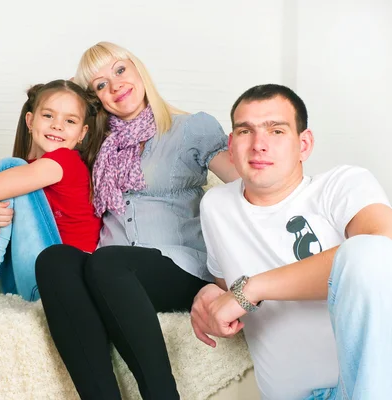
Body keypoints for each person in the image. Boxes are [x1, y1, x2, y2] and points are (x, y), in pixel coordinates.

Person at [35, 42, 240, 400]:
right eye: (99, 85)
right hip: (109, 272)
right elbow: (41, 146)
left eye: (119, 70)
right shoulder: (94, 141)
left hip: (177, 266)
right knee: (56, 259)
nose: (114, 86)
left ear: (137, 68)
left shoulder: (191, 128)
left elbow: (247, 187)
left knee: (109, 262)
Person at [192, 83, 392, 400]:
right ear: (231, 144)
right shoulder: (216, 207)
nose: (258, 145)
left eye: (276, 131)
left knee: (369, 252)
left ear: (304, 144)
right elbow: (229, 295)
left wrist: (252, 287)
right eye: (245, 131)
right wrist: (209, 290)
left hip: (369, 387)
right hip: (292, 395)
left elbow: (391, 249)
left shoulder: (340, 185)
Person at [0, 79, 104, 300]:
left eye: (70, 121)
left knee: (7, 168)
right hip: (18, 280)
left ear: (82, 133)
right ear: (30, 120)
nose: (57, 125)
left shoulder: (66, 162)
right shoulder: (31, 170)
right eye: (48, 115)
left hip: (59, 280)